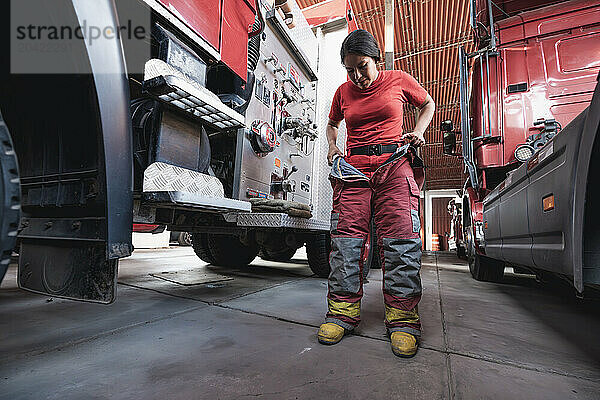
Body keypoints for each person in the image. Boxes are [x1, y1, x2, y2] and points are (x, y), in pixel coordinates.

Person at [317, 29, 435, 358]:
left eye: (362, 67)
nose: (356, 76)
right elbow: (332, 123)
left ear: (377, 62)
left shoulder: (398, 80)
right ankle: (342, 313)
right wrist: (332, 146)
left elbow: (428, 103)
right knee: (346, 240)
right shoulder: (343, 91)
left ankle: (402, 319)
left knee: (400, 239)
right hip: (353, 169)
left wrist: (418, 133)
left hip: (394, 164)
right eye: (349, 69)